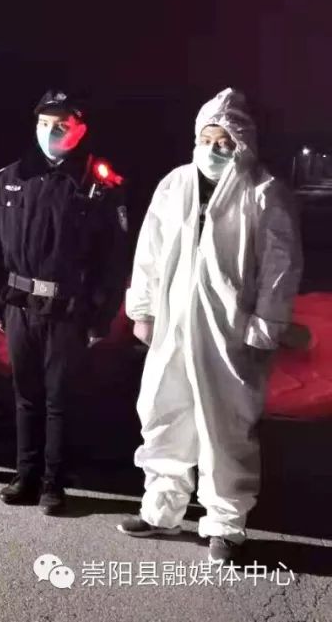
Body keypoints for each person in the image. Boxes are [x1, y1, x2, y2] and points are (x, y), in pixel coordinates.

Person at [116, 89, 303, 565]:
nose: (215, 149)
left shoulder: (264, 191)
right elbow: (150, 250)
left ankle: (225, 524)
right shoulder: (175, 184)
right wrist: (143, 309)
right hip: (173, 324)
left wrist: (266, 323)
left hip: (229, 332)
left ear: (243, 143)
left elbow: (280, 266)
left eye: (225, 141)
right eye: (207, 139)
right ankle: (161, 510)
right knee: (163, 412)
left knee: (226, 426)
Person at [0, 91, 128, 515]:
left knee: (60, 399)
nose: (51, 131)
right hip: (20, 306)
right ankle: (25, 475)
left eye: (62, 124)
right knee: (25, 395)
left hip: (68, 310)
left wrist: (101, 316)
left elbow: (113, 259)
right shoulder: (12, 177)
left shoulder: (99, 185)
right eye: (44, 123)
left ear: (80, 129)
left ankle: (54, 481)